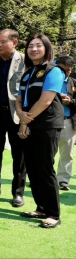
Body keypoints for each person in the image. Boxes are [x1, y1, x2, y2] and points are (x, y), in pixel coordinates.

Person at [17, 33, 65, 229]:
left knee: (44, 168)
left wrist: (24, 121)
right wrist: (20, 114)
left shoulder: (54, 70)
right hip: (29, 123)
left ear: (46, 48)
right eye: (30, 46)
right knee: (33, 167)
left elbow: (46, 100)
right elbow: (19, 98)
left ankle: (53, 214)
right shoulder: (28, 72)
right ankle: (41, 208)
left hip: (47, 124)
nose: (34, 49)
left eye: (38, 45)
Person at [0, 29, 26, 208]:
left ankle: (18, 193)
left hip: (17, 113)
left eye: (3, 42)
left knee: (19, 155)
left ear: (14, 43)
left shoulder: (25, 60)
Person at [54, 56, 76, 190]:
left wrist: (70, 102)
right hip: (50, 122)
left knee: (67, 153)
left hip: (68, 122)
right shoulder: (50, 79)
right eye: (62, 69)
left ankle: (63, 180)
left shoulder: (74, 83)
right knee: (48, 152)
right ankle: (44, 178)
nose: (65, 72)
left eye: (68, 70)